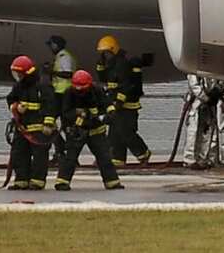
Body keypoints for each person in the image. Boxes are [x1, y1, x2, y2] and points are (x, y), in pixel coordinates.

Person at [54, 70, 124, 191]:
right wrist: (78, 121)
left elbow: (106, 103)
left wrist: (111, 112)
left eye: (82, 89)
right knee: (70, 158)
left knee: (104, 157)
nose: (80, 91)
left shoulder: (97, 90)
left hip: (96, 131)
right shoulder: (69, 93)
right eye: (78, 89)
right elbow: (66, 113)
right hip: (77, 132)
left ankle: (112, 182)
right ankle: (62, 182)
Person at [95, 34, 151, 166]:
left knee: (126, 132)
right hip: (116, 104)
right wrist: (100, 65)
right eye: (103, 54)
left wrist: (118, 103)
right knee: (114, 133)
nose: (105, 56)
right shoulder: (111, 64)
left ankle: (143, 153)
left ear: (113, 50)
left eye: (106, 53)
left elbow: (125, 86)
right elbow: (104, 79)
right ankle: (117, 159)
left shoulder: (122, 64)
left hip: (127, 106)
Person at [5, 54, 56, 190]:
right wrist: (15, 107)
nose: (17, 77)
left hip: (39, 128)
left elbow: (51, 105)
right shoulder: (19, 86)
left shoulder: (43, 85)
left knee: (39, 156)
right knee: (19, 153)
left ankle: (37, 181)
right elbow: (10, 99)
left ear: (27, 73)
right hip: (22, 127)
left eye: (19, 74)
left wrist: (48, 124)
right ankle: (21, 180)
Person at [184, 74, 224, 169]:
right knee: (195, 129)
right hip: (200, 101)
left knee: (221, 128)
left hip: (218, 98)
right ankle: (192, 159)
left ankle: (222, 158)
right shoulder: (193, 62)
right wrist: (205, 97)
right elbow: (194, 83)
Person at [44, 35, 77, 162]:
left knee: (65, 123)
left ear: (56, 45)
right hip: (59, 93)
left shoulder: (65, 57)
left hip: (64, 94)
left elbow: (68, 74)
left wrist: (51, 72)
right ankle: (61, 150)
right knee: (51, 121)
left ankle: (66, 153)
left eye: (51, 45)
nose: (50, 48)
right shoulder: (59, 57)